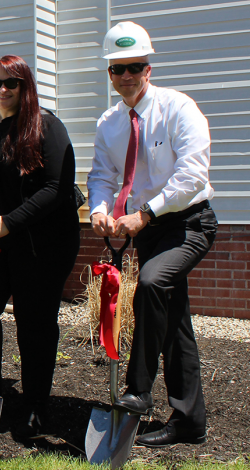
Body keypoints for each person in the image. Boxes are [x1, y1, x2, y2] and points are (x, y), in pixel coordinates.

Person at [87, 22, 216, 447]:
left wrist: (144, 213)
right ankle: (189, 422)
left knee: (152, 282)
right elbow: (103, 176)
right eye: (117, 68)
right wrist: (102, 211)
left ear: (149, 68)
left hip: (189, 223)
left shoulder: (178, 108)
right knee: (175, 322)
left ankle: (139, 389)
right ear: (109, 72)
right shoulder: (109, 123)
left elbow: (193, 175)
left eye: (135, 67)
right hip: (147, 231)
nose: (126, 76)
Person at [0, 55, 81, 438]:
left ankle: (35, 405)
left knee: (34, 323)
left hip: (42, 243)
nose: (2, 90)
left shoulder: (47, 126)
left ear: (26, 86)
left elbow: (56, 187)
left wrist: (11, 222)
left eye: (12, 83)